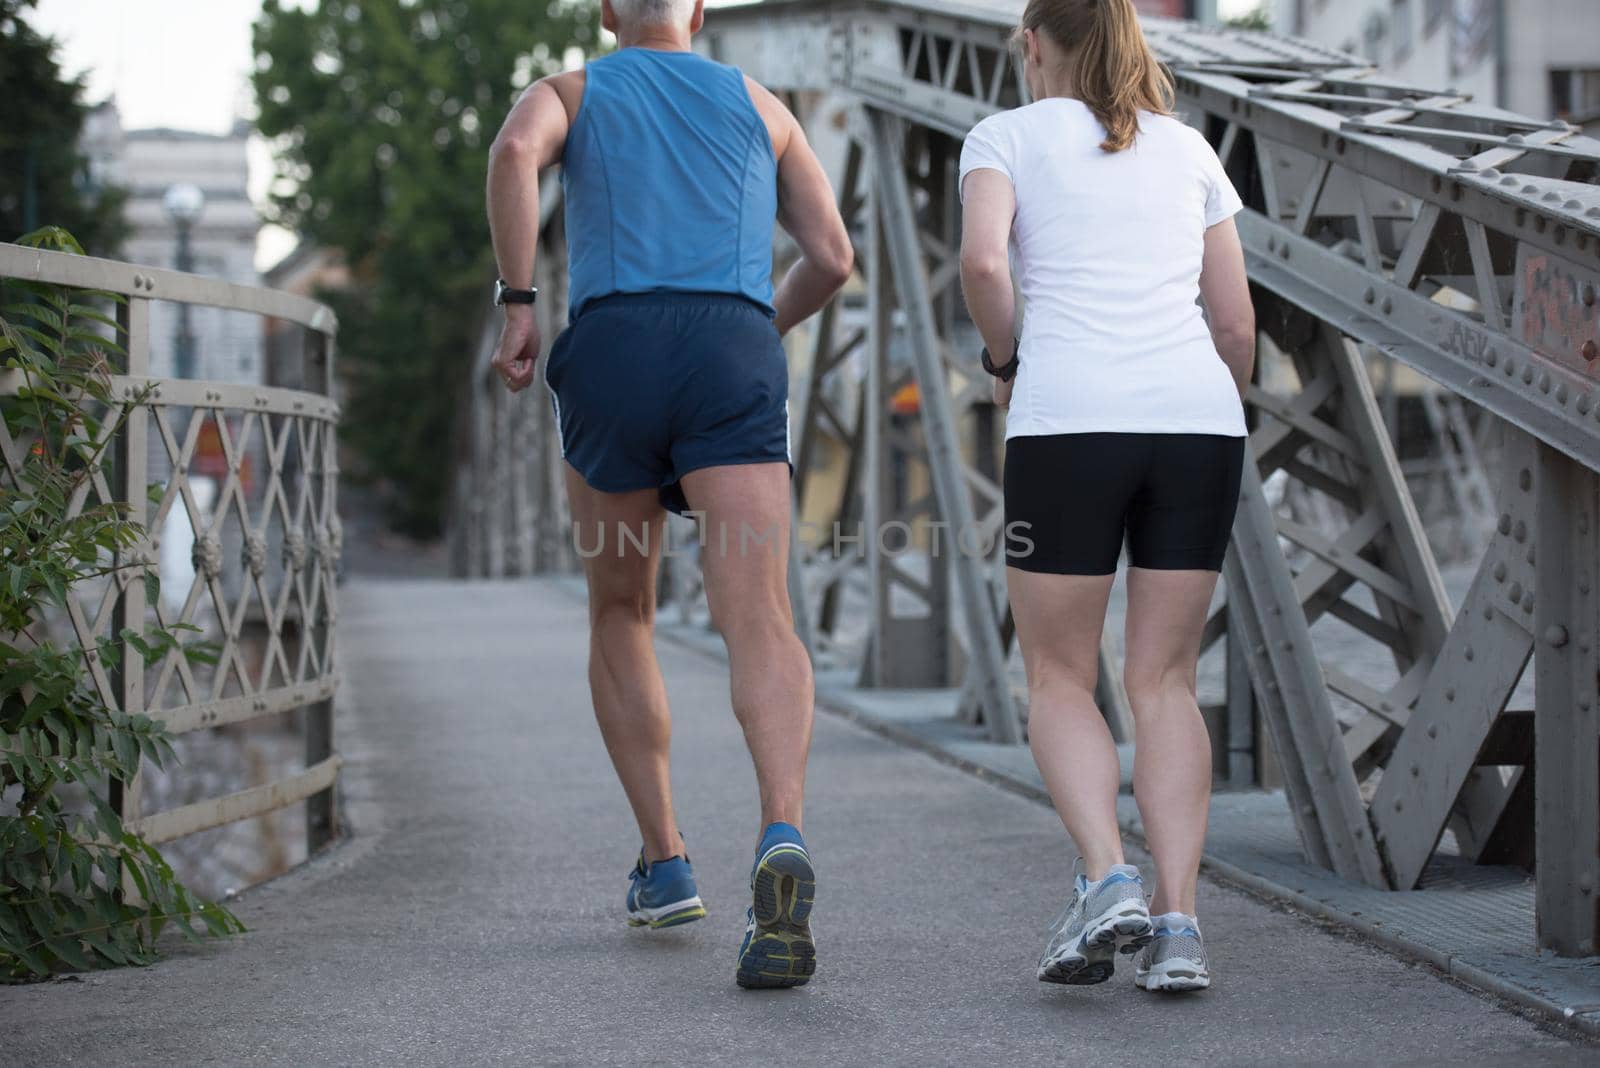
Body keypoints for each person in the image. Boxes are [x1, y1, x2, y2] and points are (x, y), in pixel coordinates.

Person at [484, 0, 853, 989]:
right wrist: (751, 329)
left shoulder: (573, 91)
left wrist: (518, 302)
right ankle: (781, 830)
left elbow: (518, 150)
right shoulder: (762, 105)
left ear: (609, 11)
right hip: (728, 349)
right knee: (759, 618)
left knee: (622, 606)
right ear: (697, 10)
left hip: (614, 350)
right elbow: (833, 258)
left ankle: (664, 861)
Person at [958, 0, 1256, 994]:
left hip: (1068, 425)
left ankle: (1104, 879)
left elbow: (985, 263)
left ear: (1033, 43)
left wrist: (1006, 359)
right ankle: (1177, 927)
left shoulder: (1002, 134)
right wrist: (1200, 403)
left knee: (1056, 674)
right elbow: (1235, 324)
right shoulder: (1190, 150)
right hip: (1195, 425)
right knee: (1162, 679)